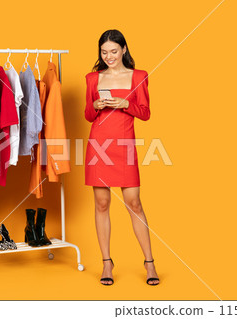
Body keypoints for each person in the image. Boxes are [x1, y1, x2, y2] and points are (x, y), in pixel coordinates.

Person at [84, 29, 160, 286]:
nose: (109, 57)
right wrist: (95, 106)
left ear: (124, 50)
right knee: (102, 203)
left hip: (124, 145)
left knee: (133, 202)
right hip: (99, 144)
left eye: (113, 51)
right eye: (104, 52)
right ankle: (107, 263)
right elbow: (87, 114)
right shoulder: (93, 78)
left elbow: (146, 112)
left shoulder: (139, 76)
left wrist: (125, 104)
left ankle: (149, 263)